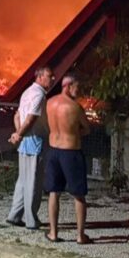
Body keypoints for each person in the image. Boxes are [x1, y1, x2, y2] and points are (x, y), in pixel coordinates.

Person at [44, 73, 95, 243]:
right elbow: (87, 129)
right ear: (68, 85)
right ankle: (80, 236)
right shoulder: (75, 107)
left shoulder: (49, 103)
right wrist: (74, 133)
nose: (78, 91)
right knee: (79, 194)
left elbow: (49, 125)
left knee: (54, 192)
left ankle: (53, 233)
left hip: (53, 150)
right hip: (71, 152)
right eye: (76, 88)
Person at [6, 67, 54, 230]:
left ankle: (14, 215)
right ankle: (31, 220)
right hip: (35, 141)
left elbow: (17, 116)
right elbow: (30, 119)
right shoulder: (39, 95)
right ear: (40, 77)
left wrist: (17, 134)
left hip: (25, 142)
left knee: (23, 180)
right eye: (49, 76)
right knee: (34, 181)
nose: (52, 79)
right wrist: (20, 133)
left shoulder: (26, 92)